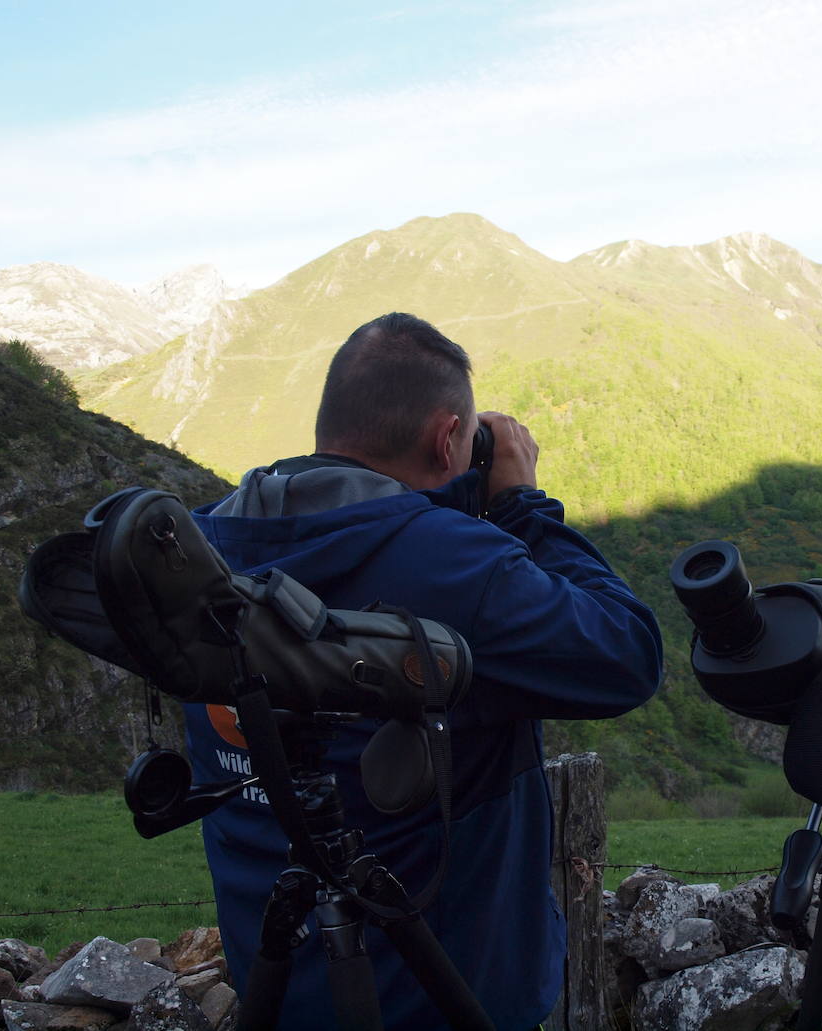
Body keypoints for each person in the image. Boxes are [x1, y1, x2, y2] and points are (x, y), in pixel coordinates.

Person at [183, 312, 663, 1029]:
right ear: (447, 440)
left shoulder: (206, 547)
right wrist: (522, 505)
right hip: (444, 995)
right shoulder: (457, 568)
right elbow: (629, 653)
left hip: (279, 988)